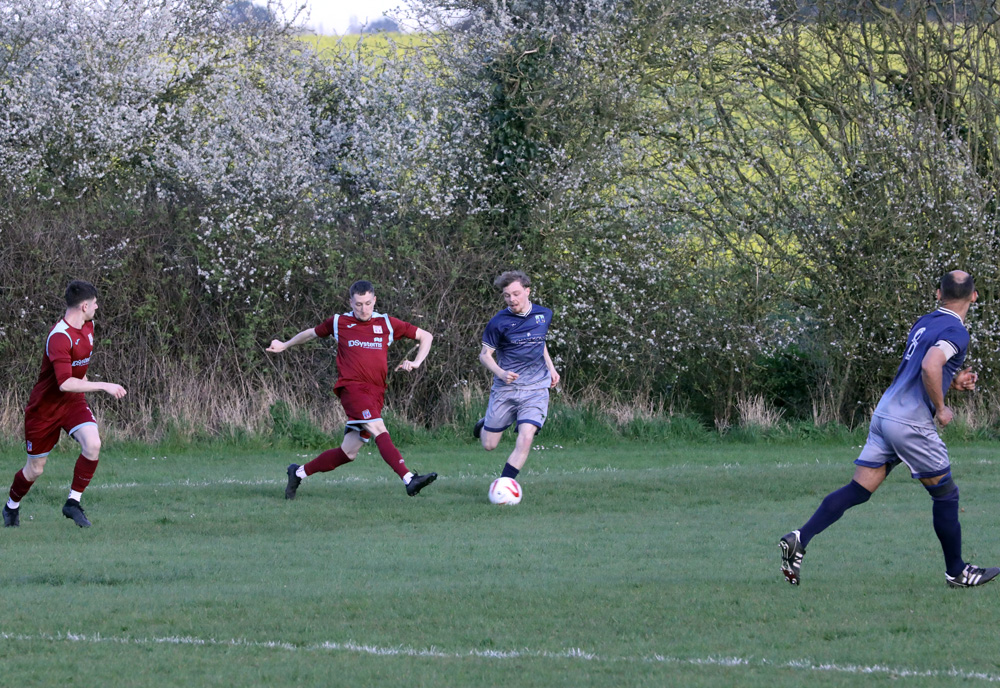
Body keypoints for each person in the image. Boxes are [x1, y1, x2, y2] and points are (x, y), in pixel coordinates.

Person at [780, 270, 998, 588]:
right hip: (910, 423)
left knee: (859, 489)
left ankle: (800, 538)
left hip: (885, 414)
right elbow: (930, 366)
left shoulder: (925, 322)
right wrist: (941, 408)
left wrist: (952, 381)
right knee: (946, 495)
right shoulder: (956, 332)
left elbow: (922, 370)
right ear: (974, 297)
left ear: (938, 294)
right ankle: (957, 572)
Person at [268, 280, 437, 498]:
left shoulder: (387, 323)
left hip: (376, 393)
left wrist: (416, 362)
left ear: (374, 300)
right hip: (352, 390)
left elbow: (426, 336)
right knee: (379, 429)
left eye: (368, 303)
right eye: (358, 304)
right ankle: (409, 479)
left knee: (348, 452)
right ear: (350, 302)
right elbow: (311, 333)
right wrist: (285, 344)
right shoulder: (339, 322)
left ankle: (298, 473)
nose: (363, 309)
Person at [4, 280, 127, 529]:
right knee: (35, 469)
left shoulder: (89, 327)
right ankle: (11, 506)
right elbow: (65, 383)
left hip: (72, 404)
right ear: (84, 306)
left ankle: (73, 502)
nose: (97, 307)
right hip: (44, 410)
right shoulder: (59, 337)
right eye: (94, 303)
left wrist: (88, 383)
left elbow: (77, 373)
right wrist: (104, 385)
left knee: (93, 444)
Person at [473, 270, 560, 483]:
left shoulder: (544, 314)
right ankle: (484, 425)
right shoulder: (498, 322)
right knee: (489, 445)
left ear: (527, 291)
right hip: (507, 388)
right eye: (507, 295)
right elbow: (484, 355)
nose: (512, 299)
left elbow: (539, 341)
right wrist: (501, 373)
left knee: (526, 436)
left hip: (536, 387)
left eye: (516, 294)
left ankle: (505, 484)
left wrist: (551, 368)